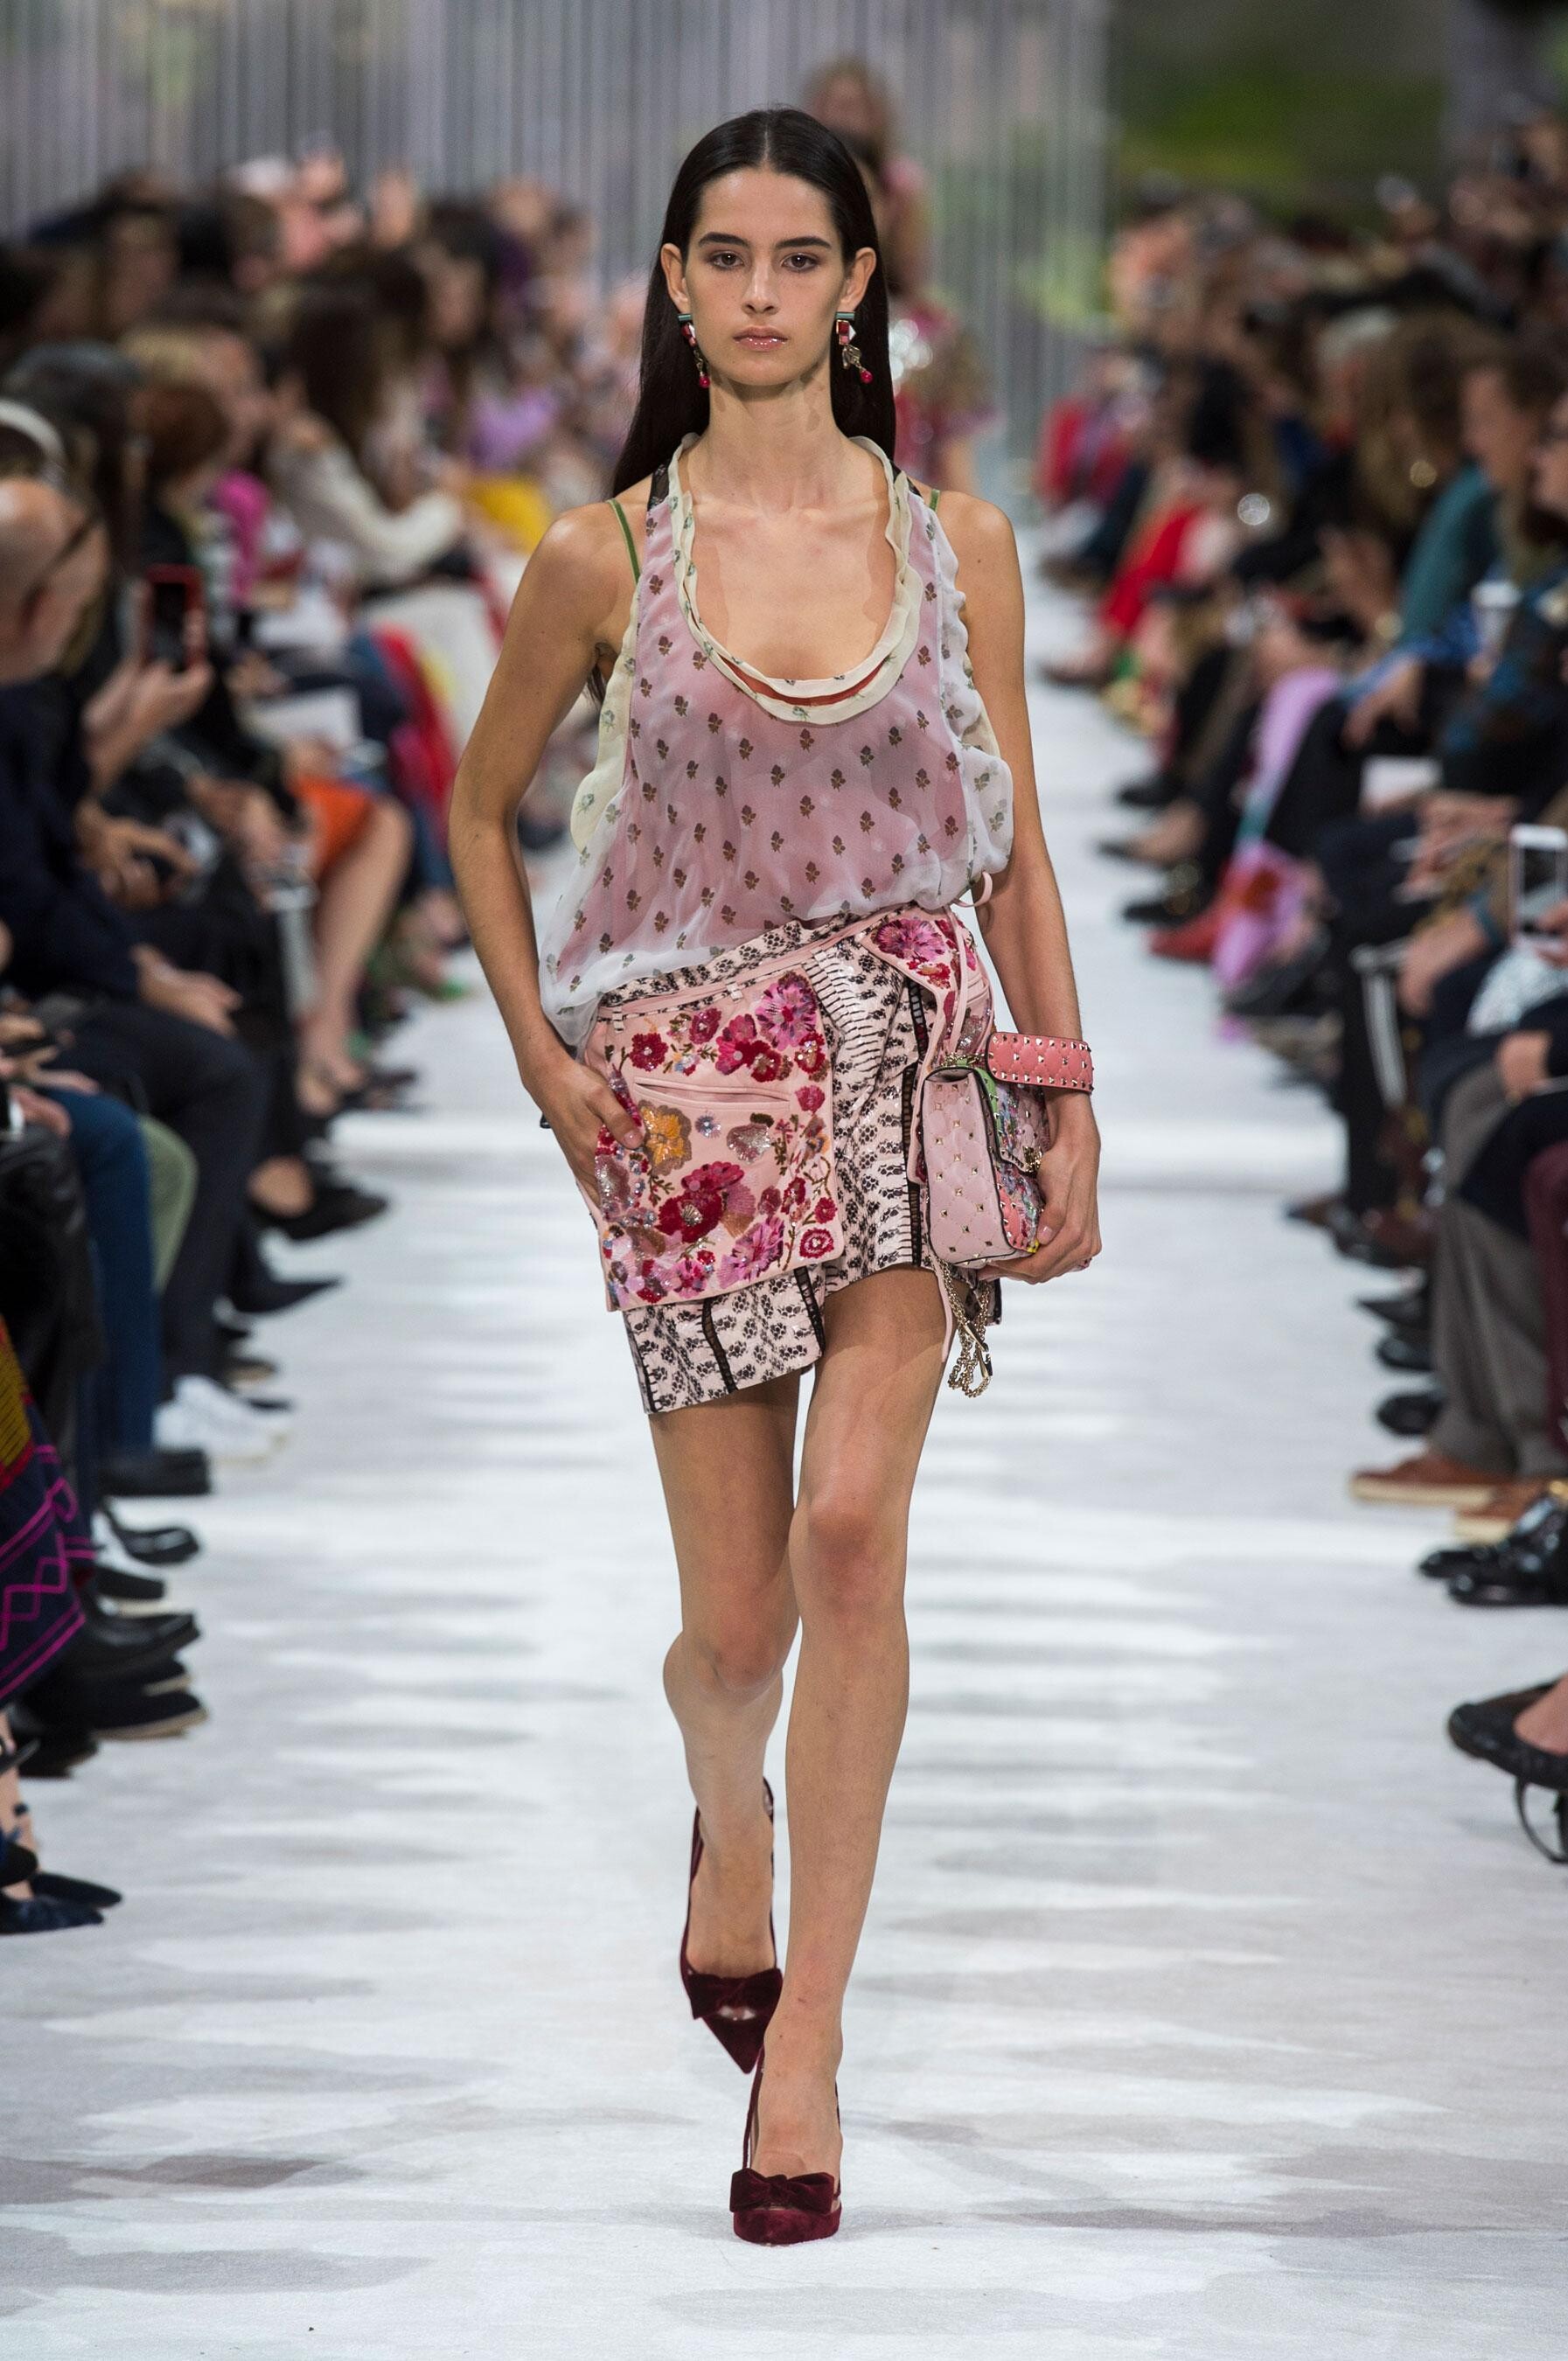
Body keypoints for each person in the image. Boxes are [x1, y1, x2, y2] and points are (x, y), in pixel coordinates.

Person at [449, 108, 1101, 2242]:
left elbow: (1014, 842)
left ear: (856, 287)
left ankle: (807, 2047)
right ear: (670, 282)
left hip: (910, 1066)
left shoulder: (958, 542)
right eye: (722, 258)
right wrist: (544, 1060)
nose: (757, 293)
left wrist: (1067, 1091)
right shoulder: (599, 558)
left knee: (849, 1543)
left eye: (797, 258)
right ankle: (726, 1813)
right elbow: (477, 808)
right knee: (734, 1628)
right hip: (685, 1110)